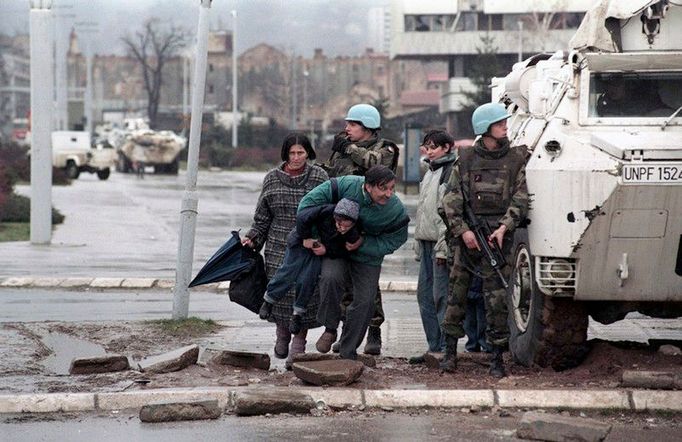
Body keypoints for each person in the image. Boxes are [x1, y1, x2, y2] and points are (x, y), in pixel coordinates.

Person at [440, 103, 529, 378]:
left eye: (504, 122)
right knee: (456, 296)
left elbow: (521, 197)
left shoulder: (515, 159)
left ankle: (497, 358)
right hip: (467, 237)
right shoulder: (465, 159)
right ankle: (449, 352)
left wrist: (504, 227)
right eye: (499, 123)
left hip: (497, 240)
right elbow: (450, 202)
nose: (505, 126)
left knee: (497, 299)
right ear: (485, 128)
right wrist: (463, 231)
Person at [298, 165, 409, 361]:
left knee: (366, 301)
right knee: (330, 278)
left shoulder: (395, 210)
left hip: (368, 256)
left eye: (392, 188)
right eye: (383, 188)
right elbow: (306, 206)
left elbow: (397, 238)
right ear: (367, 187)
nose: (388, 194)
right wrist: (313, 237)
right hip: (335, 248)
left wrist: (363, 243)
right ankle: (330, 327)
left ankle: (348, 350)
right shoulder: (344, 185)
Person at [242, 133, 328, 367]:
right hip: (278, 246)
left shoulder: (319, 177)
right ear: (285, 154)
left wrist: (319, 241)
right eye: (292, 153)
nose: (297, 157)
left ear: (308, 153)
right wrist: (252, 238)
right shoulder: (272, 179)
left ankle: (298, 347)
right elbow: (262, 218)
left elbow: (327, 214)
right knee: (279, 292)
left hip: (309, 245)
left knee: (306, 294)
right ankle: (281, 335)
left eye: (301, 152)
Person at [322, 103, 399, 356]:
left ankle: (373, 330)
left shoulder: (384, 149)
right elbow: (333, 176)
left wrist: (347, 147)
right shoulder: (342, 150)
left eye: (352, 124)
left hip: (370, 222)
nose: (347, 128)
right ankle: (348, 332)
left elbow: (373, 164)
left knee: (368, 283)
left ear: (367, 127)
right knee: (344, 281)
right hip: (343, 222)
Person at [258, 198, 361, 335]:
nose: (342, 228)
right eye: (339, 224)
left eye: (347, 226)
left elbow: (345, 251)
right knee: (287, 272)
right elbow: (302, 217)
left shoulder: (352, 232)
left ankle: (297, 314)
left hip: (318, 251)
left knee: (307, 280)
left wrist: (327, 250)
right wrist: (306, 237)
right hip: (300, 242)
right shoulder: (325, 211)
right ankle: (269, 300)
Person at [410, 130, 457, 364]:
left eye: (434, 147)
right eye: (427, 147)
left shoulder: (450, 172)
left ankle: (447, 349)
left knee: (441, 297)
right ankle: (433, 346)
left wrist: (442, 249)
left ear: (447, 147)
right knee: (424, 297)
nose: (429, 151)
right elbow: (423, 212)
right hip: (426, 243)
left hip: (441, 246)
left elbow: (446, 215)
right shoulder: (429, 172)